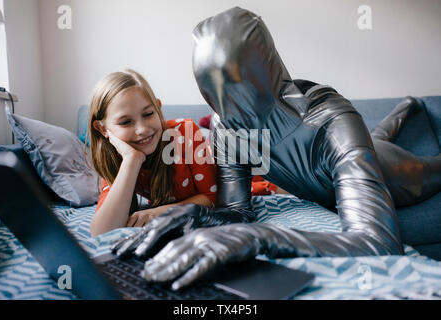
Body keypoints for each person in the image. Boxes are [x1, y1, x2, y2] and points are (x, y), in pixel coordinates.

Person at [113, 7, 441, 291]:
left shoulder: (332, 121)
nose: (230, 116)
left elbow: (379, 242)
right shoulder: (225, 123)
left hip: (394, 172)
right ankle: (407, 106)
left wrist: (259, 237)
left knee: (425, 164)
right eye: (216, 100)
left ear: (265, 77)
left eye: (238, 96)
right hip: (348, 157)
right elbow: (238, 211)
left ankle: (410, 111)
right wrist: (195, 214)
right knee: (375, 135)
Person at [88, 69, 280, 236]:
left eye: (148, 114)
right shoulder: (116, 157)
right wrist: (131, 160)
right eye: (125, 122)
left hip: (227, 175)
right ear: (103, 129)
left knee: (272, 182)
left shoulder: (183, 132)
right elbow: (101, 231)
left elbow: (212, 198)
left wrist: (159, 212)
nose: (143, 129)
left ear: (158, 107)